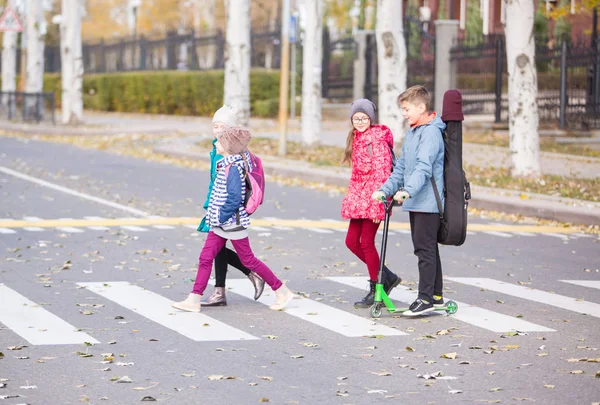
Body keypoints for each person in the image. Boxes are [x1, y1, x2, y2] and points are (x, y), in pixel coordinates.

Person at [173, 126, 294, 313]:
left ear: (229, 146)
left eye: (220, 141)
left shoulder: (233, 167)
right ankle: (194, 299)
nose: (216, 143)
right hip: (221, 223)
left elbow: (234, 198)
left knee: (249, 261)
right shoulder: (227, 163)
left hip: (231, 223)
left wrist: (219, 217)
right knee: (205, 258)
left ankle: (281, 290)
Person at [372, 85, 446, 316]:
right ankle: (436, 296)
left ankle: (425, 299)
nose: (404, 113)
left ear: (421, 107)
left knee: (424, 251)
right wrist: (385, 189)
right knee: (427, 249)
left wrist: (408, 191)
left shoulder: (431, 132)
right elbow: (402, 167)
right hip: (417, 200)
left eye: (406, 109)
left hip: (428, 202)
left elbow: (424, 167)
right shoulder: (414, 132)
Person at [197, 105, 265, 306]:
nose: (217, 130)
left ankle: (250, 276)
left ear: (230, 130)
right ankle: (223, 290)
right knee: (217, 248)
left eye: (222, 126)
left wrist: (220, 209)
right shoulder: (217, 148)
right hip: (218, 206)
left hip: (228, 209)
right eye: (215, 125)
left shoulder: (227, 151)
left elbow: (232, 187)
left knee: (217, 249)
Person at [340, 98, 401, 308]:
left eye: (364, 117)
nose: (359, 121)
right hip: (359, 199)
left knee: (366, 242)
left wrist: (379, 205)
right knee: (351, 242)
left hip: (374, 199)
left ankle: (378, 287)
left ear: (371, 118)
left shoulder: (376, 139)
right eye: (356, 118)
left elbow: (383, 173)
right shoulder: (356, 137)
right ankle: (386, 275)